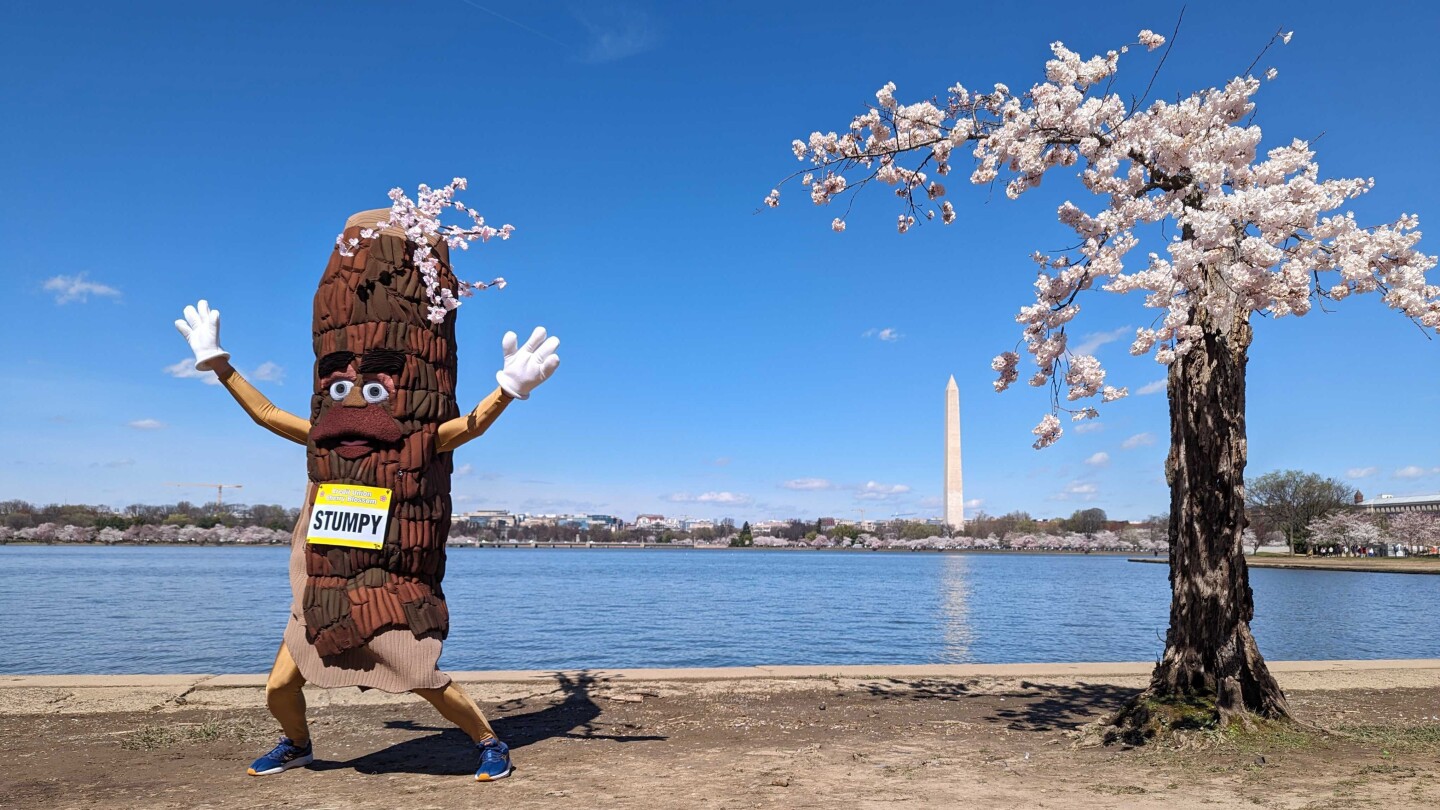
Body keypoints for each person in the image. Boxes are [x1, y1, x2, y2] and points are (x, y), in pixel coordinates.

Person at [173, 209, 560, 782]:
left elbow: (467, 427)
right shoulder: (324, 439)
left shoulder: (418, 441)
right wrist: (218, 364)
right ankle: (297, 744)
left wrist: (507, 390)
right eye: (339, 386)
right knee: (279, 686)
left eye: (373, 388)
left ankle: (489, 742)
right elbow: (269, 414)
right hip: (325, 578)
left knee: (422, 675)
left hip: (389, 579)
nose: (353, 399)